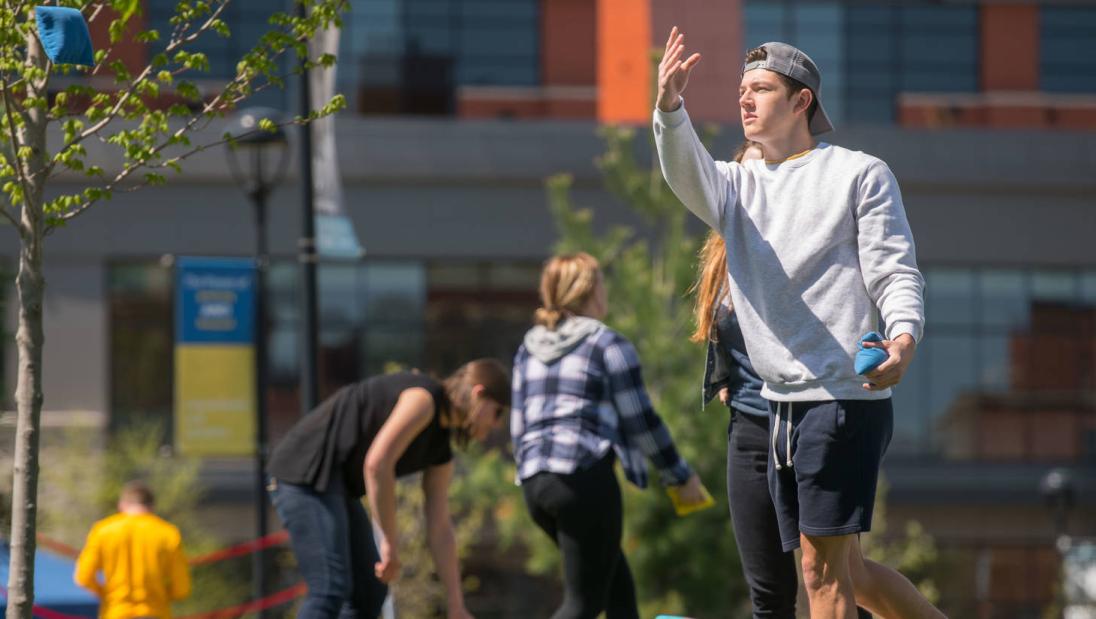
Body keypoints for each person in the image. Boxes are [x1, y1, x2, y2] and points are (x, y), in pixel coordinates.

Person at [655, 30, 944, 619]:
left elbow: (895, 271)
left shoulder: (859, 174)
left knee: (821, 575)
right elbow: (684, 173)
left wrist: (904, 338)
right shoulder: (737, 185)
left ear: (801, 101)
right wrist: (668, 108)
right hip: (779, 407)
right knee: (837, 575)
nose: (744, 99)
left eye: (760, 88)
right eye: (741, 90)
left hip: (841, 398)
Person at [511, 252, 709, 619]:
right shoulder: (606, 344)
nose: (606, 290)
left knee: (618, 592)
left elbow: (518, 426)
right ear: (587, 290)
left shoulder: (528, 349)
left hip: (535, 485)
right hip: (582, 480)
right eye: (601, 282)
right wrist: (679, 475)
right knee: (583, 603)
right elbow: (641, 420)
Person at [266, 360, 511, 619]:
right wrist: (389, 543)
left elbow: (440, 527)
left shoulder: (440, 449)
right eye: (498, 413)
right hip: (305, 472)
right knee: (329, 588)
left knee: (369, 593)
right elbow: (377, 464)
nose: (496, 424)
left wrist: (456, 605)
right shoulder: (423, 398)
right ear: (478, 394)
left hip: (335, 486)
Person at [74, 481, 191, 619]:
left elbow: (83, 577)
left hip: (115, 611)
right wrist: (161, 598)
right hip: (155, 612)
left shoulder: (103, 530)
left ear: (122, 504)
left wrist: (106, 595)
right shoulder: (168, 533)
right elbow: (181, 589)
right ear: (152, 506)